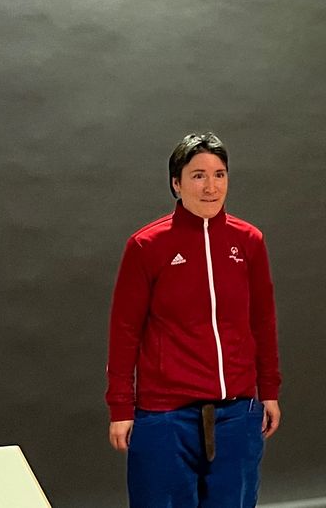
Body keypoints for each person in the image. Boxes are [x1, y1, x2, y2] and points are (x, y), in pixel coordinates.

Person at [106, 132, 282, 508]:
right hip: (166, 415)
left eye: (219, 174)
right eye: (198, 175)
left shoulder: (249, 241)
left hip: (237, 413)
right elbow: (124, 332)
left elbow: (262, 321)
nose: (211, 186)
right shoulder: (146, 246)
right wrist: (121, 407)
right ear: (176, 183)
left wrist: (268, 391)